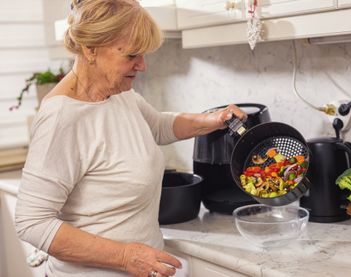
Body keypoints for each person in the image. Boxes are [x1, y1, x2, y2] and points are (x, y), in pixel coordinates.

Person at [14, 0, 247, 276]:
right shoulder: (62, 118)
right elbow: (32, 222)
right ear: (90, 49)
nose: (143, 65)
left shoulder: (119, 93)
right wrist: (125, 257)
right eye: (132, 55)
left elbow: (158, 125)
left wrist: (212, 119)